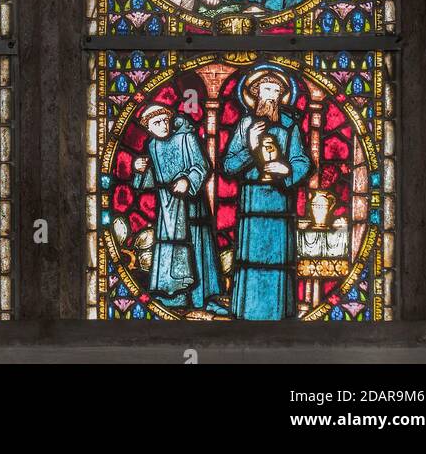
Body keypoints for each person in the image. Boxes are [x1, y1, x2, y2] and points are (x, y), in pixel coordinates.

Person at [221, 67, 311, 320]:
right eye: (266, 89)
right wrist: (250, 147)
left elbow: (302, 161)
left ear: (282, 96)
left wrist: (287, 170)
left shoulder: (290, 125)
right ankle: (246, 312)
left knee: (278, 260)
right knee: (249, 259)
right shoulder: (245, 125)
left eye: (275, 91)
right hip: (251, 200)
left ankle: (279, 313)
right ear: (255, 94)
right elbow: (228, 165)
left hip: (280, 202)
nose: (270, 95)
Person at [132, 103, 226, 313]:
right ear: (148, 127)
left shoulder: (186, 137)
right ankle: (172, 297)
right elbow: (151, 182)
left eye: (165, 121)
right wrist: (140, 170)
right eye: (157, 123)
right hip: (167, 209)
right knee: (169, 248)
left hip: (191, 206)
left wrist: (187, 180)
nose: (163, 126)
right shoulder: (153, 146)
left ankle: (202, 298)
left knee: (195, 247)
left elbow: (202, 166)